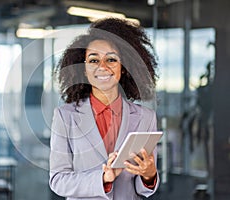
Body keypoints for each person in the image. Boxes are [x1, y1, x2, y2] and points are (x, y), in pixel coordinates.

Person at [49, 17, 159, 200]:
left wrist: (149, 175)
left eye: (111, 59)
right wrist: (103, 179)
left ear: (123, 67)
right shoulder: (64, 116)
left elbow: (143, 189)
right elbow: (58, 180)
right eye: (93, 60)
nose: (103, 67)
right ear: (83, 68)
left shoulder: (145, 117)